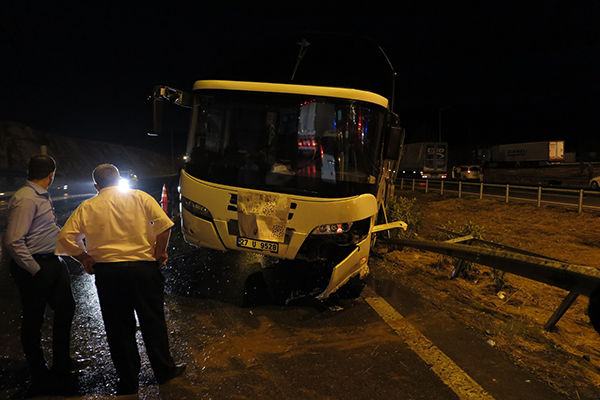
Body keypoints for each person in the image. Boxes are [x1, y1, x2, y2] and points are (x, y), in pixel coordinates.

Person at [55, 164, 185, 395]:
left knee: (118, 328)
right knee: (153, 321)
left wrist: (84, 258)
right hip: (143, 269)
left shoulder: (88, 206)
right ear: (119, 179)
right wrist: (160, 252)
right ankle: (164, 371)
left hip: (109, 274)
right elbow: (164, 226)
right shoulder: (140, 197)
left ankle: (128, 381)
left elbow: (66, 238)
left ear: (96, 186)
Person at [3, 155, 77, 396]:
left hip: (51, 261)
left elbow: (46, 229)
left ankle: (62, 363)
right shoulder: (26, 199)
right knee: (33, 321)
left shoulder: (39, 196)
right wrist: (35, 269)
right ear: (51, 175)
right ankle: (39, 374)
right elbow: (13, 241)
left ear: (29, 171)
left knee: (66, 309)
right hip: (35, 266)